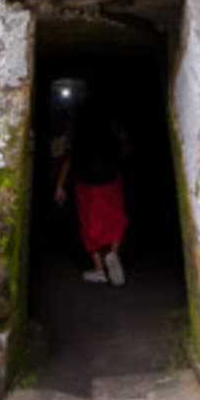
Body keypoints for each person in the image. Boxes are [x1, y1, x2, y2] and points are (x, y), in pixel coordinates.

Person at [54, 102, 129, 286]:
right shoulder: (112, 124)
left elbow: (68, 159)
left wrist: (59, 185)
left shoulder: (76, 128)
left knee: (90, 225)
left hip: (86, 181)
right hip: (110, 178)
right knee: (116, 220)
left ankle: (99, 270)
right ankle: (113, 253)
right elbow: (126, 149)